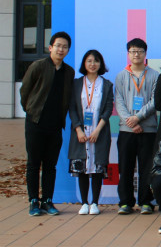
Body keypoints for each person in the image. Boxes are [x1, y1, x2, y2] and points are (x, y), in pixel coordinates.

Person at [21, 31, 75, 216]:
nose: (61, 49)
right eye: (58, 46)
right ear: (50, 47)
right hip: (35, 123)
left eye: (65, 47)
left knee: (50, 165)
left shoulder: (69, 72)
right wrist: (31, 111)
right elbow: (25, 91)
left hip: (55, 125)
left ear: (68, 50)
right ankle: (33, 201)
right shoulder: (38, 66)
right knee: (33, 164)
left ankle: (47, 201)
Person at [115, 38, 159, 215]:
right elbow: (119, 102)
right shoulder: (121, 76)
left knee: (147, 168)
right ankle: (125, 202)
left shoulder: (154, 75)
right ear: (128, 54)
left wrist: (138, 118)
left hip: (148, 130)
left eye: (140, 51)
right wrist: (131, 122)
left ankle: (146, 201)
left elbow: (155, 101)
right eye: (133, 51)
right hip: (127, 130)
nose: (136, 54)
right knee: (125, 167)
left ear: (145, 53)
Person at [67, 50, 114, 216]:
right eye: (89, 61)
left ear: (100, 64)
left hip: (98, 131)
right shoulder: (76, 84)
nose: (92, 64)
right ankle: (84, 203)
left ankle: (94, 202)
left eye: (96, 61)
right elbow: (72, 108)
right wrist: (78, 129)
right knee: (82, 168)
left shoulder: (106, 85)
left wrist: (98, 130)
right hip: (81, 132)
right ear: (84, 64)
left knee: (97, 167)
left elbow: (108, 109)